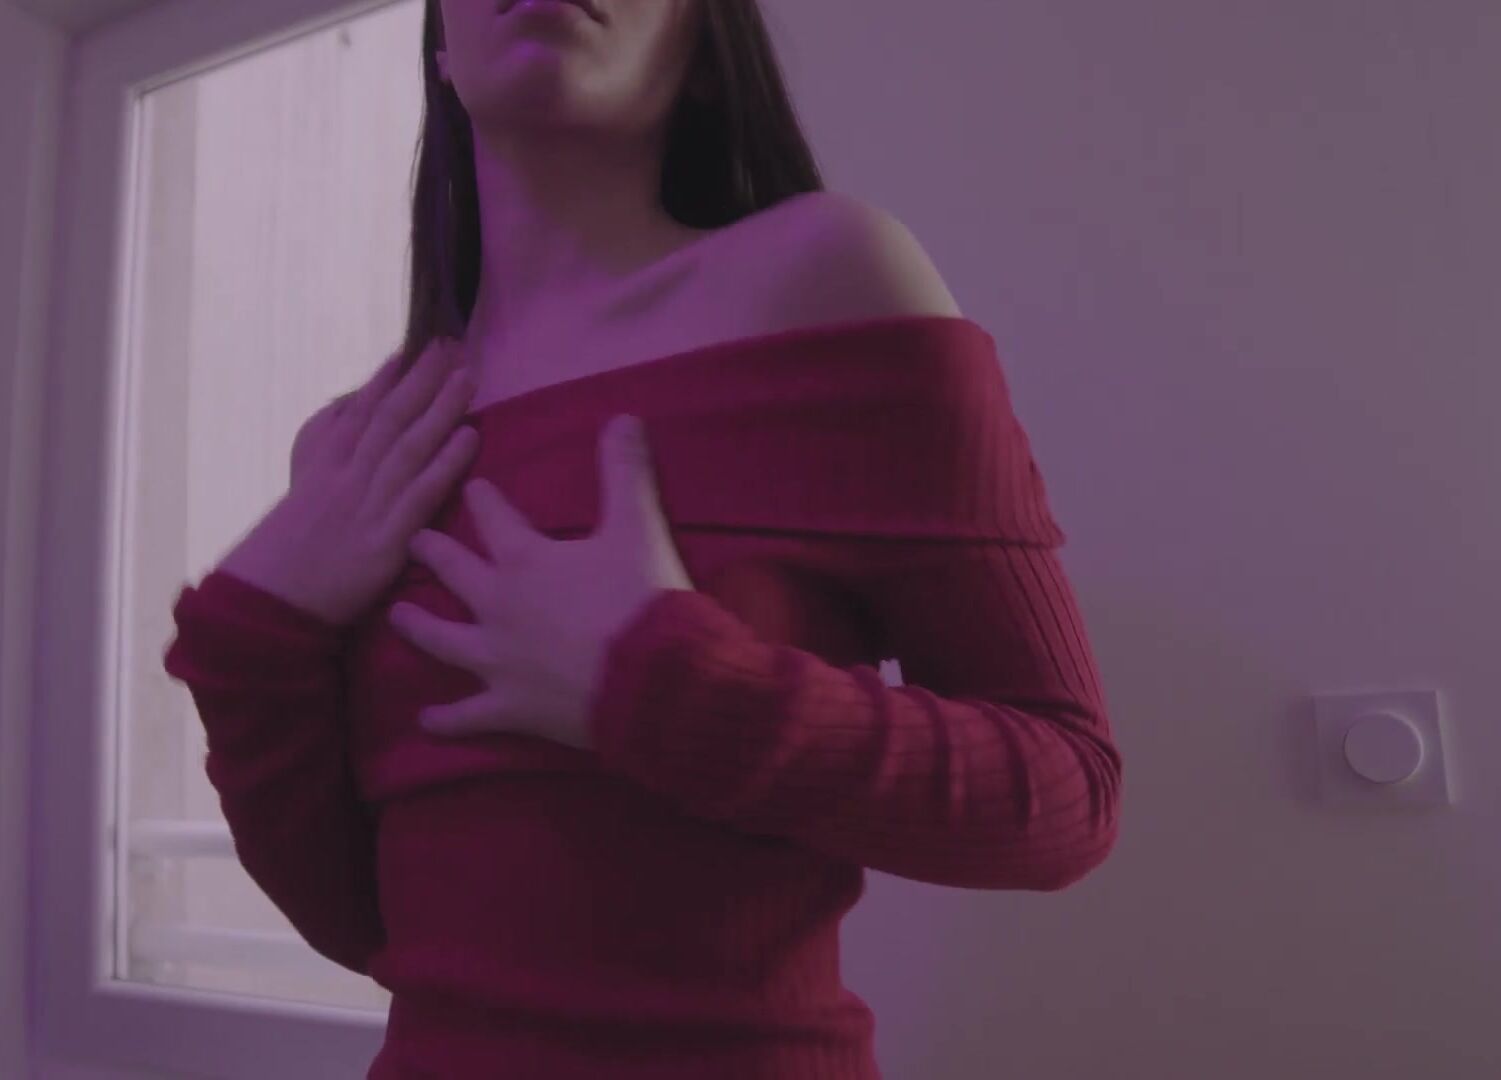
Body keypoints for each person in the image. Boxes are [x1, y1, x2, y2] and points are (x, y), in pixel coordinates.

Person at [162, 2, 1125, 1077]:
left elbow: (1069, 794)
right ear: (441, 47)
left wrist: (659, 686)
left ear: (706, 55)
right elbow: (369, 929)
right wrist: (256, 640)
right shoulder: (369, 441)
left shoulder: (826, 276)